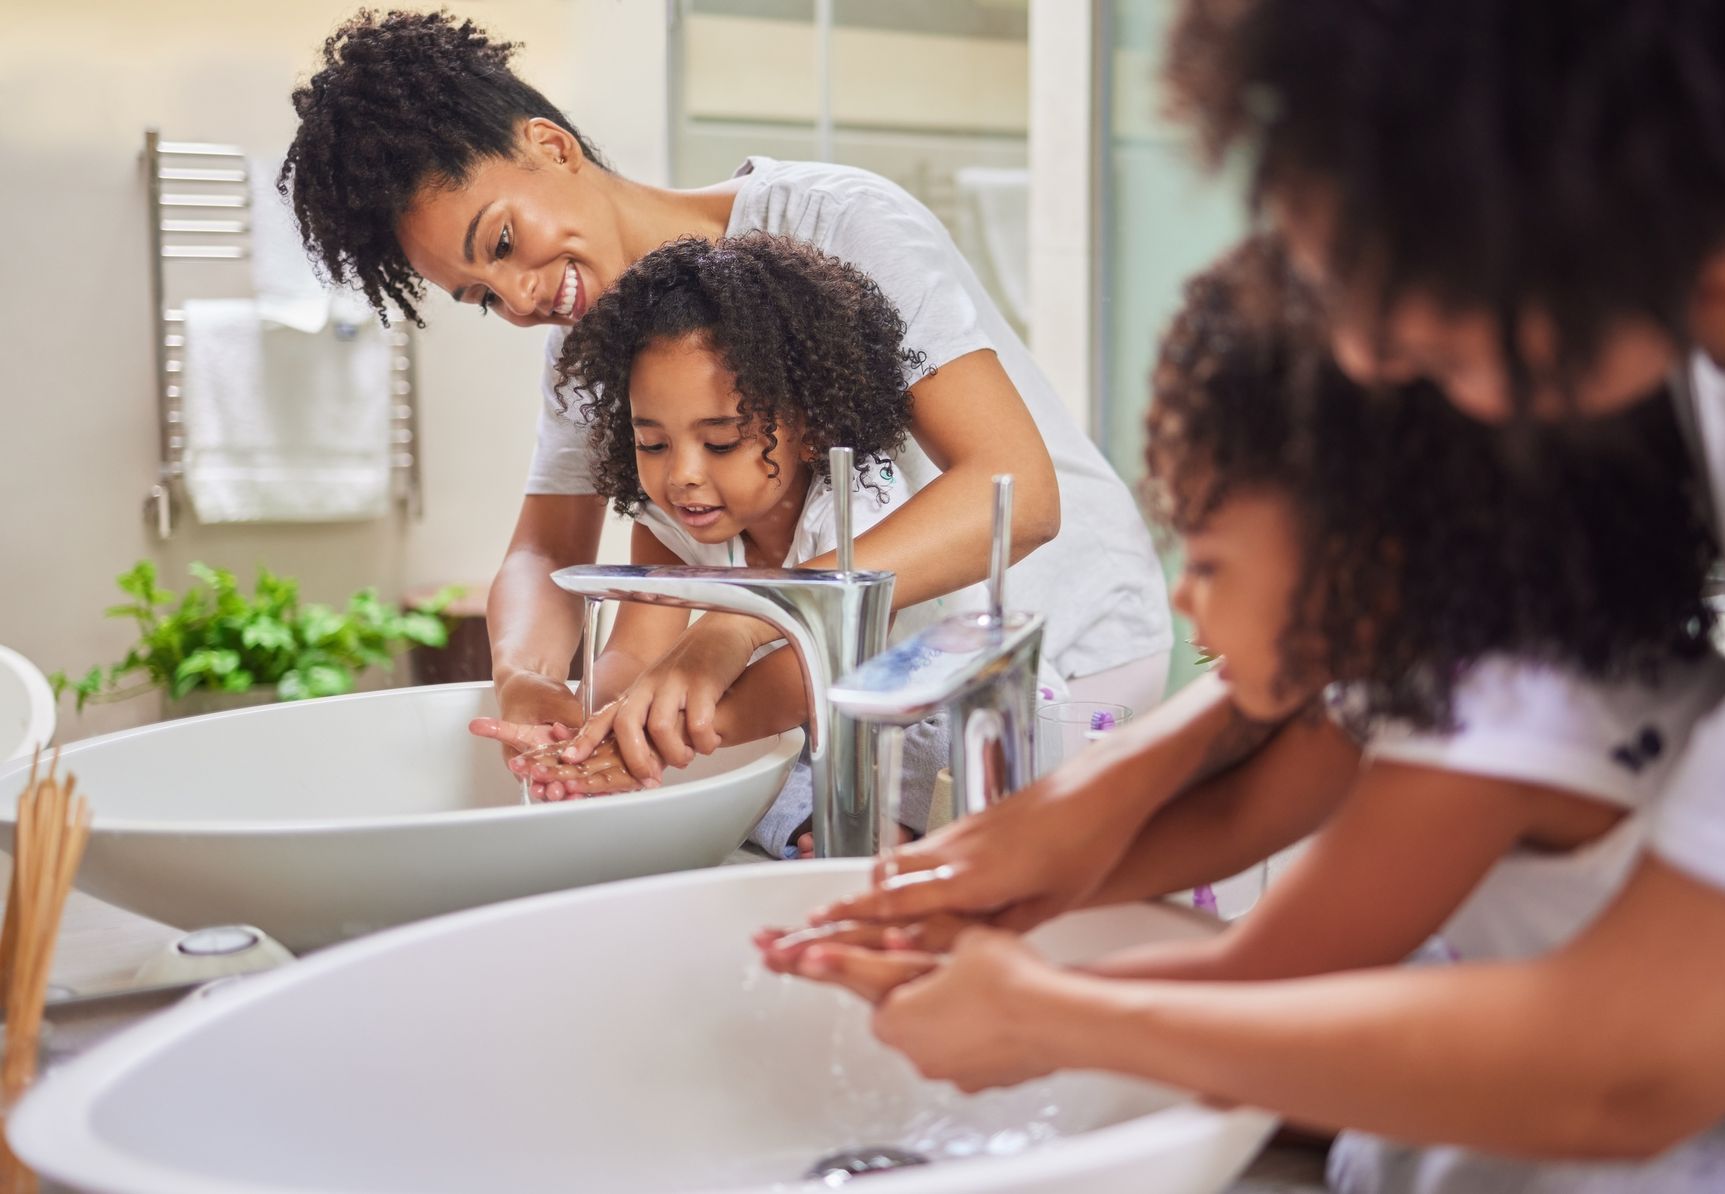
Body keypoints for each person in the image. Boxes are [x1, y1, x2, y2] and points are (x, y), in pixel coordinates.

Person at [802, 2, 1725, 1189]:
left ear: (1588, 167)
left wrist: (1049, 1015)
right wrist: (1103, 792)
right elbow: (1348, 684)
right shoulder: (1680, 271)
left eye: (1394, 264)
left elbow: (1627, 1071)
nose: (1368, 354)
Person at [280, 10, 1171, 814]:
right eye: (480, 296)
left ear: (550, 146)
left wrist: (744, 620)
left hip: (1062, 645)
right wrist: (528, 680)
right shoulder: (586, 353)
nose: (518, 299)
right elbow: (546, 550)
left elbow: (1017, 493)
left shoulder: (839, 224)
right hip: (866, 684)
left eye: (503, 242)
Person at [505, 233, 1078, 853]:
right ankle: (820, 827)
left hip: (940, 705)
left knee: (911, 745)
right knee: (761, 769)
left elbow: (821, 671)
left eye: (720, 443)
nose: (682, 475)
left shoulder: (853, 501)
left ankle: (893, 823)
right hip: (822, 728)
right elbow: (635, 652)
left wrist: (684, 733)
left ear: (810, 428)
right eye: (653, 443)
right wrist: (591, 722)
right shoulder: (671, 519)